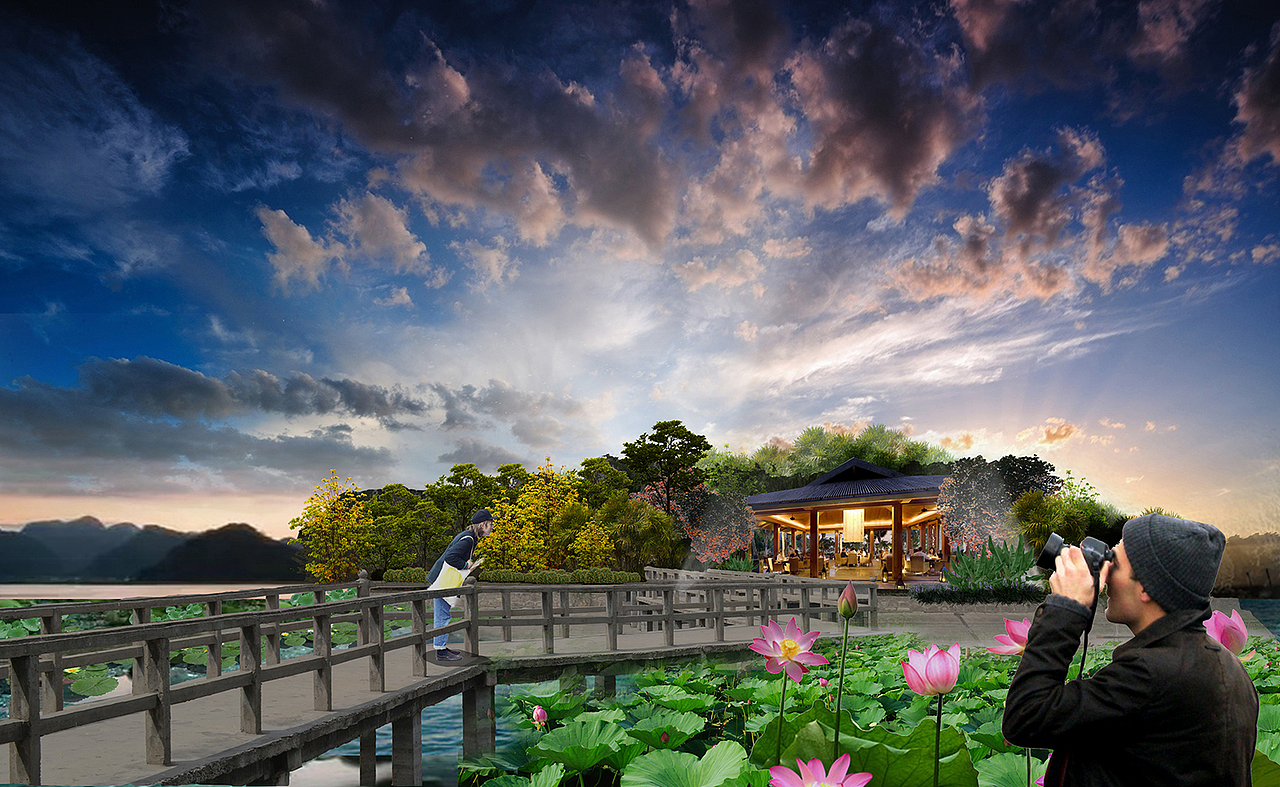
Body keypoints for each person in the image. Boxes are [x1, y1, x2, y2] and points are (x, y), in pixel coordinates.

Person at [1003, 514, 1258, 786]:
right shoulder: (1231, 667)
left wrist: (1065, 609)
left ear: (1147, 586)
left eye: (1114, 563)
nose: (1104, 574)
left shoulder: (1149, 674)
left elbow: (1026, 718)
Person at [426, 509, 493, 662]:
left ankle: (441, 647)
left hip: (441, 579)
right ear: (482, 525)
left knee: (442, 614)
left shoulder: (469, 537)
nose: (491, 527)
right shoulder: (468, 539)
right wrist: (466, 564)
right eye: (489, 524)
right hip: (442, 581)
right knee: (442, 615)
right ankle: (441, 652)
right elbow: (450, 557)